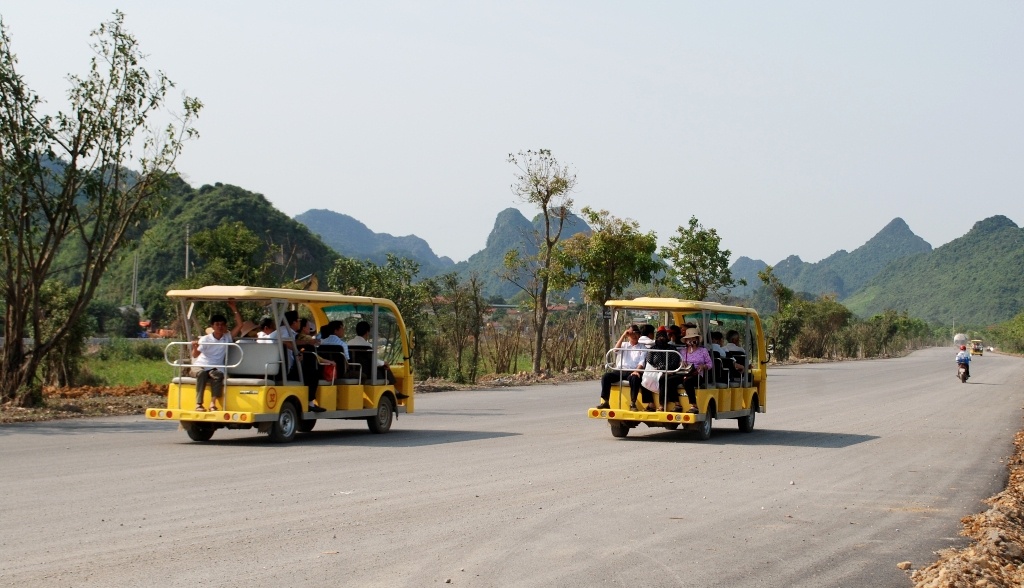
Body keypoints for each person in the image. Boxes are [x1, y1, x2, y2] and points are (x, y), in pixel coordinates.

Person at [191, 300, 244, 412]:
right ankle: (198, 404)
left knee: (218, 375)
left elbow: (240, 325)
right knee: (202, 374)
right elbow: (195, 355)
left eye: (222, 324)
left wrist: (234, 308)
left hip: (215, 367)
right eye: (217, 324)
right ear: (212, 326)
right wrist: (195, 346)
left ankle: (212, 404)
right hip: (201, 365)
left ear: (225, 326)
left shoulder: (227, 337)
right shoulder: (205, 339)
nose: (220, 327)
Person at [595, 325, 646, 410]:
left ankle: (633, 403)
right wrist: (623, 336)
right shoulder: (624, 345)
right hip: (621, 370)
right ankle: (606, 401)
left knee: (635, 378)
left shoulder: (642, 347)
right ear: (628, 335)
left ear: (639, 335)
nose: (634, 336)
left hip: (633, 371)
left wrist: (636, 371)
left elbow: (642, 361)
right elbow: (615, 350)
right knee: (606, 377)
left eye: (637, 334)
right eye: (632, 334)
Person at [639, 328, 683, 411]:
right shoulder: (653, 349)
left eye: (663, 337)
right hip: (655, 371)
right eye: (659, 337)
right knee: (643, 378)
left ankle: (662, 404)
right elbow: (649, 361)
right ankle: (650, 403)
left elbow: (674, 363)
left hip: (670, 371)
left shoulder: (672, 349)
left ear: (666, 338)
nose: (661, 338)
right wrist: (659, 368)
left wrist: (664, 369)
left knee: (663, 378)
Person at [348, 320, 398, 387]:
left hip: (352, 370)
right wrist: (383, 363)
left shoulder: (348, 343)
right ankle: (393, 387)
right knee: (384, 367)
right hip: (366, 373)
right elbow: (374, 361)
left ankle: (394, 388)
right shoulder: (367, 346)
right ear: (367, 332)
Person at [677, 327, 714, 413]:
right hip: (684, 373)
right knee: (669, 380)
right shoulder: (682, 351)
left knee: (688, 382)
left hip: (696, 374)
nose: (691, 340)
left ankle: (694, 405)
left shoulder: (703, 351)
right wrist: (682, 364)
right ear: (686, 341)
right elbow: (679, 363)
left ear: (697, 339)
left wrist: (703, 366)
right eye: (689, 339)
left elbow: (710, 364)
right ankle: (676, 404)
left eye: (693, 338)